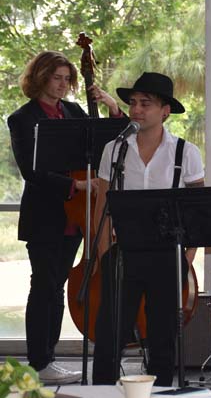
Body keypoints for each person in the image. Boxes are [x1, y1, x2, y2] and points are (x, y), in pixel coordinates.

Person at [8, 51, 121, 384]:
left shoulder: (72, 111)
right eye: (56, 77)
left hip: (77, 215)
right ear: (40, 77)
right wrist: (76, 183)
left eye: (66, 79)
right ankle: (38, 362)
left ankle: (47, 361)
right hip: (45, 215)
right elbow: (32, 170)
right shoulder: (22, 118)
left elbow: (108, 142)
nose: (62, 84)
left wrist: (113, 107)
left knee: (56, 286)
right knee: (44, 287)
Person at [92, 72, 204, 386]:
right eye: (133, 103)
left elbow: (197, 214)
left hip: (167, 255)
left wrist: (186, 259)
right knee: (109, 335)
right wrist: (104, 258)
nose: (136, 109)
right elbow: (102, 208)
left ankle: (161, 391)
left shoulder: (186, 153)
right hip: (124, 253)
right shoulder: (114, 150)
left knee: (162, 338)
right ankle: (102, 392)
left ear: (165, 110)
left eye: (146, 103)